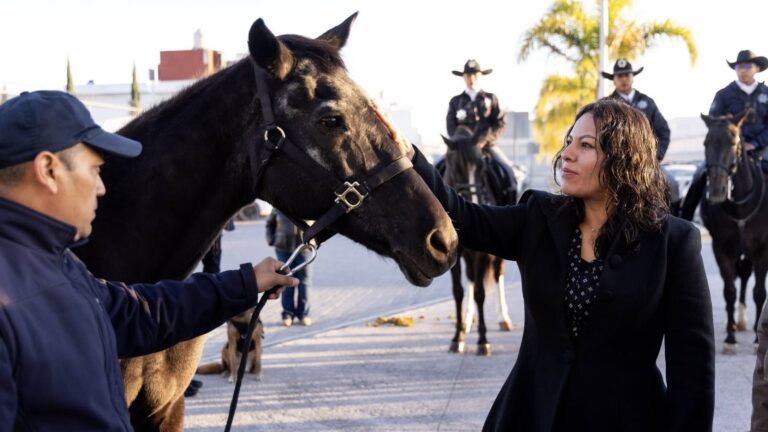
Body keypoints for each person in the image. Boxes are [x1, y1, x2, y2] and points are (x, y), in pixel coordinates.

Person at [375, 98, 714, 431]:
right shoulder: (539, 217)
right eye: (569, 141)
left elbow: (693, 370)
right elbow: (463, 216)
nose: (566, 153)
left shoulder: (674, 242)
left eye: (586, 145)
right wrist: (409, 156)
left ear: (623, 158)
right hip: (533, 414)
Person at [0, 90, 298, 430]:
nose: (101, 187)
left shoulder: (57, 262)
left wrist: (246, 283)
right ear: (48, 170)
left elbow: (139, 314)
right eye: (95, 169)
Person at [680, 49, 768, 220]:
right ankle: (685, 218)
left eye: (747, 65)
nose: (743, 69)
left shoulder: (766, 93)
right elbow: (713, 122)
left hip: (761, 148)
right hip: (728, 150)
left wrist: (756, 143)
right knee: (700, 173)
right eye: (739, 66)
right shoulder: (723, 94)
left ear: (756, 68)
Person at [445, 59, 516, 204]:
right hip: (460, 149)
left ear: (480, 76)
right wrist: (461, 144)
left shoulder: (491, 98)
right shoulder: (455, 101)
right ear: (464, 77)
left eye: (475, 75)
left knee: (509, 173)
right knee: (435, 171)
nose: (471, 79)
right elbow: (451, 125)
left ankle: (510, 215)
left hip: (486, 146)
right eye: (468, 76)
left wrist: (483, 140)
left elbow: (499, 123)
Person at [602, 58, 671, 161]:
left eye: (627, 75)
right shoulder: (605, 105)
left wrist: (656, 157)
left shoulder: (648, 102)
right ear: (614, 80)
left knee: (668, 177)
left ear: (632, 77)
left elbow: (663, 131)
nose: (624, 79)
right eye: (620, 76)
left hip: (646, 163)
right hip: (614, 164)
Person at [266, 209, 313, 327]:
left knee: (304, 283)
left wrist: (317, 241)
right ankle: (287, 314)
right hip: (283, 248)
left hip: (305, 249)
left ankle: (304, 314)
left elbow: (321, 223)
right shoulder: (278, 203)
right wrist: (271, 239)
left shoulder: (310, 200)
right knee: (285, 282)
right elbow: (269, 223)